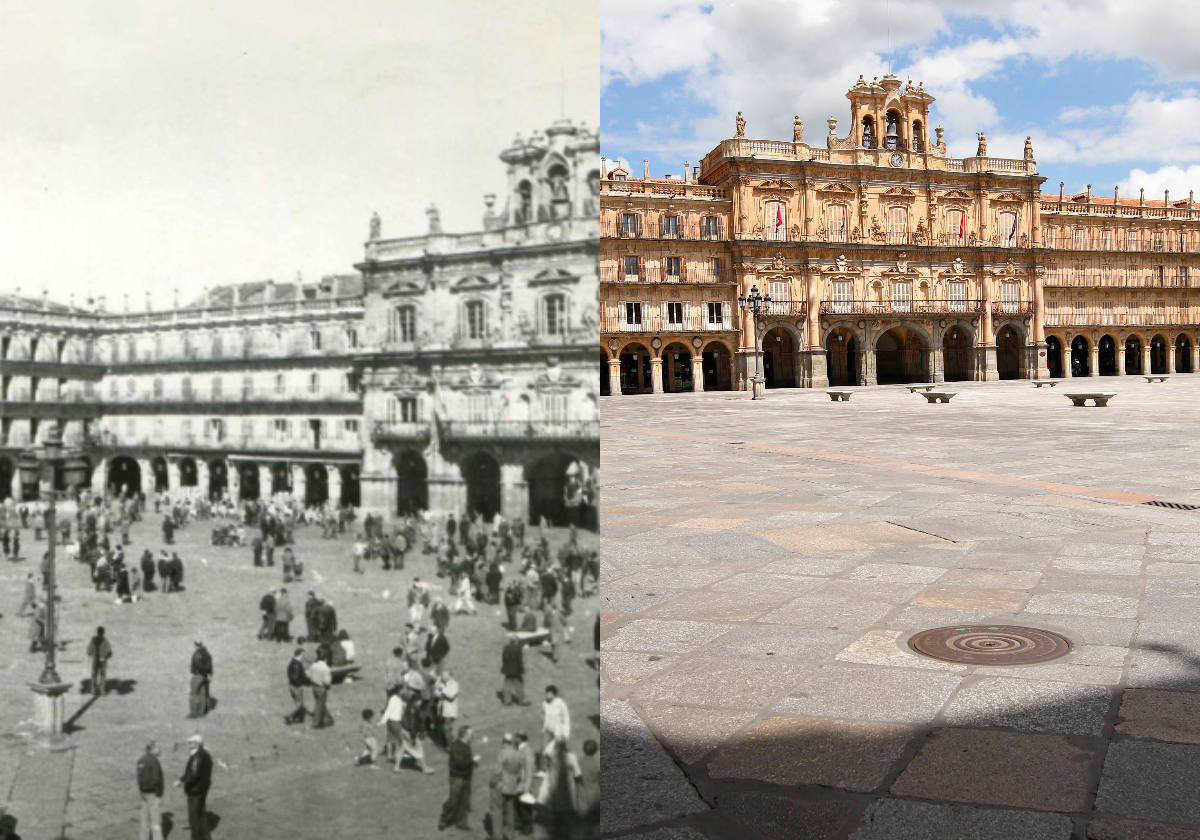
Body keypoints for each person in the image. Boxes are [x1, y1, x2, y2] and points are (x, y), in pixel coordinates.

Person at [438, 725, 477, 831]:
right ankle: (444, 819)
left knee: (463, 801)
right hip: (457, 778)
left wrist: (472, 763)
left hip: (466, 777)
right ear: (465, 735)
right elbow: (461, 763)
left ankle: (461, 822)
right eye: (471, 734)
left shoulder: (466, 745)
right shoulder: (456, 746)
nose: (473, 736)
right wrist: (473, 761)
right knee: (453, 801)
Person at [175, 734, 212, 840]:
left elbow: (193, 774)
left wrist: (181, 781)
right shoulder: (205, 754)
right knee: (202, 816)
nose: (189, 745)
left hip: (195, 791)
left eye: (190, 743)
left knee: (194, 818)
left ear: (197, 744)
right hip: (202, 789)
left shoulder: (197, 756)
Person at [496, 732, 525, 840]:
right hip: (512, 786)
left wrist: (493, 782)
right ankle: (510, 835)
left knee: (498, 810)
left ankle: (498, 835)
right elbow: (519, 771)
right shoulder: (517, 753)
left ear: (503, 741)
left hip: (502, 785)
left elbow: (497, 770)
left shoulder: (502, 753)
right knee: (510, 812)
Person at [136, 741, 165, 840]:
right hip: (153, 793)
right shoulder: (154, 761)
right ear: (152, 749)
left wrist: (141, 789)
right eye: (157, 748)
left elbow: (139, 778)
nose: (159, 750)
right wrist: (158, 792)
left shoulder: (141, 760)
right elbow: (156, 778)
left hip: (143, 793)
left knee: (144, 819)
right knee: (155, 820)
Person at [285, 647, 310, 725]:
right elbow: (296, 677)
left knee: (297, 703)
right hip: (297, 686)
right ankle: (289, 716)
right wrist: (306, 681)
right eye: (303, 654)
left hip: (292, 685)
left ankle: (299, 719)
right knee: (300, 705)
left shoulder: (292, 662)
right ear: (300, 654)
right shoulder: (297, 664)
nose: (304, 656)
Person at [435, 670, 460, 748]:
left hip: (450, 710)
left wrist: (442, 690)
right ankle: (451, 743)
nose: (443, 677)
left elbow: (451, 696)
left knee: (446, 728)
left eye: (445, 675)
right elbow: (436, 693)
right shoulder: (441, 684)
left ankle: (451, 746)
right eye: (442, 675)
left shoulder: (454, 684)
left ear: (450, 676)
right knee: (447, 728)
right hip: (442, 709)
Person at [501, 634, 527, 706]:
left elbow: (504, 658)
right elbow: (520, 661)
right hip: (516, 670)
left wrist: (506, 667)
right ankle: (522, 700)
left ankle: (507, 701)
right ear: (516, 641)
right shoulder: (518, 648)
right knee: (519, 685)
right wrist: (522, 670)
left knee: (507, 685)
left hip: (507, 670)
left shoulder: (506, 647)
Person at [189, 641, 213, 718]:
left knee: (194, 693)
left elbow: (197, 665)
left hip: (198, 675)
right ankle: (202, 712)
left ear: (196, 645)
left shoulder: (197, 654)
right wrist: (207, 673)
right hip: (205, 676)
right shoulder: (207, 653)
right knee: (203, 694)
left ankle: (194, 712)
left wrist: (198, 672)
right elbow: (210, 666)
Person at [86, 626, 112, 696]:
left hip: (95, 658)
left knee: (94, 674)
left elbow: (89, 651)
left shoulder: (93, 639)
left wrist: (92, 653)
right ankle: (102, 690)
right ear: (103, 633)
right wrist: (107, 655)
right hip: (103, 659)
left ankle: (94, 689)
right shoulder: (105, 640)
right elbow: (109, 652)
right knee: (102, 674)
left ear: (97, 632)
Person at [310, 652, 334, 729]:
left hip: (314, 686)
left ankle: (328, 719)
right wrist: (329, 685)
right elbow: (327, 682)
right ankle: (316, 723)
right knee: (320, 705)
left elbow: (310, 675)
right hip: (321, 687)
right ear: (326, 659)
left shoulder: (313, 665)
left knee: (320, 703)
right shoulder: (325, 668)